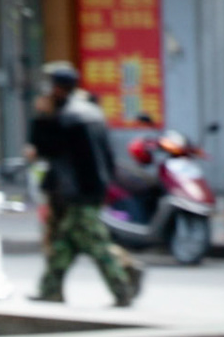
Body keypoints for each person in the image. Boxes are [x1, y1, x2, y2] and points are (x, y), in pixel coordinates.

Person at [26, 62, 140, 306]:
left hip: (78, 192)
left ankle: (123, 288)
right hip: (93, 188)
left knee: (96, 245)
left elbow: (42, 147)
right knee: (64, 244)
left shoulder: (66, 117)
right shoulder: (91, 111)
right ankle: (50, 290)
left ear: (57, 88)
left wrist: (41, 116)